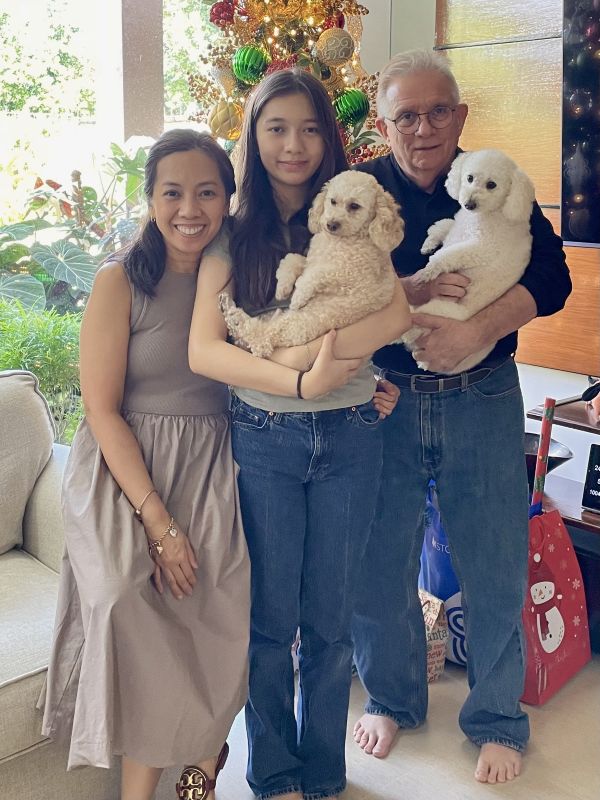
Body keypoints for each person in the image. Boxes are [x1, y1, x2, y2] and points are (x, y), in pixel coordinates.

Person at [350, 49, 572, 784]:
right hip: (382, 398)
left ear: (461, 116)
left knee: (497, 566)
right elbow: (339, 288)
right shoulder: (363, 191)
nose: (423, 127)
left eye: (437, 110)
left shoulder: (496, 177)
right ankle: (390, 696)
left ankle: (497, 719)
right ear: (384, 124)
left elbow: (552, 273)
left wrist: (478, 329)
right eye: (405, 114)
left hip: (483, 394)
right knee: (380, 564)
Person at [188, 68, 411, 800]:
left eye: (311, 128)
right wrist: (300, 379)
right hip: (266, 441)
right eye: (276, 127)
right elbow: (205, 348)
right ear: (254, 136)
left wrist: (314, 362)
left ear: (331, 137)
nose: (294, 145)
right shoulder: (234, 231)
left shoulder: (354, 215)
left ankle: (322, 775)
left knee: (330, 623)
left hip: (352, 436)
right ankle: (274, 773)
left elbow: (392, 316)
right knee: (269, 620)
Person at [41, 129, 251, 800]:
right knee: (126, 594)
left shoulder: (240, 277)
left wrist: (360, 383)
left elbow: (283, 353)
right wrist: (157, 521)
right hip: (125, 467)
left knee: (217, 604)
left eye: (207, 192)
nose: (190, 209)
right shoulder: (117, 280)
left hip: (214, 458)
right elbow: (101, 410)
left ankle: (202, 763)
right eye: (172, 193)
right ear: (150, 199)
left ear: (228, 199)